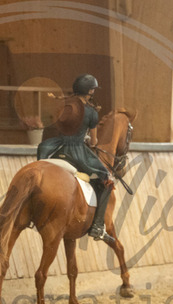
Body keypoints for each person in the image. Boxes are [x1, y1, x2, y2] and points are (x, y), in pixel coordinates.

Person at [36, 74, 114, 243]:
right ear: (90, 91)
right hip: (77, 151)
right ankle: (97, 226)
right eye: (93, 90)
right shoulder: (92, 112)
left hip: (57, 147)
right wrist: (89, 140)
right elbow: (93, 142)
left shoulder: (64, 106)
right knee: (106, 179)